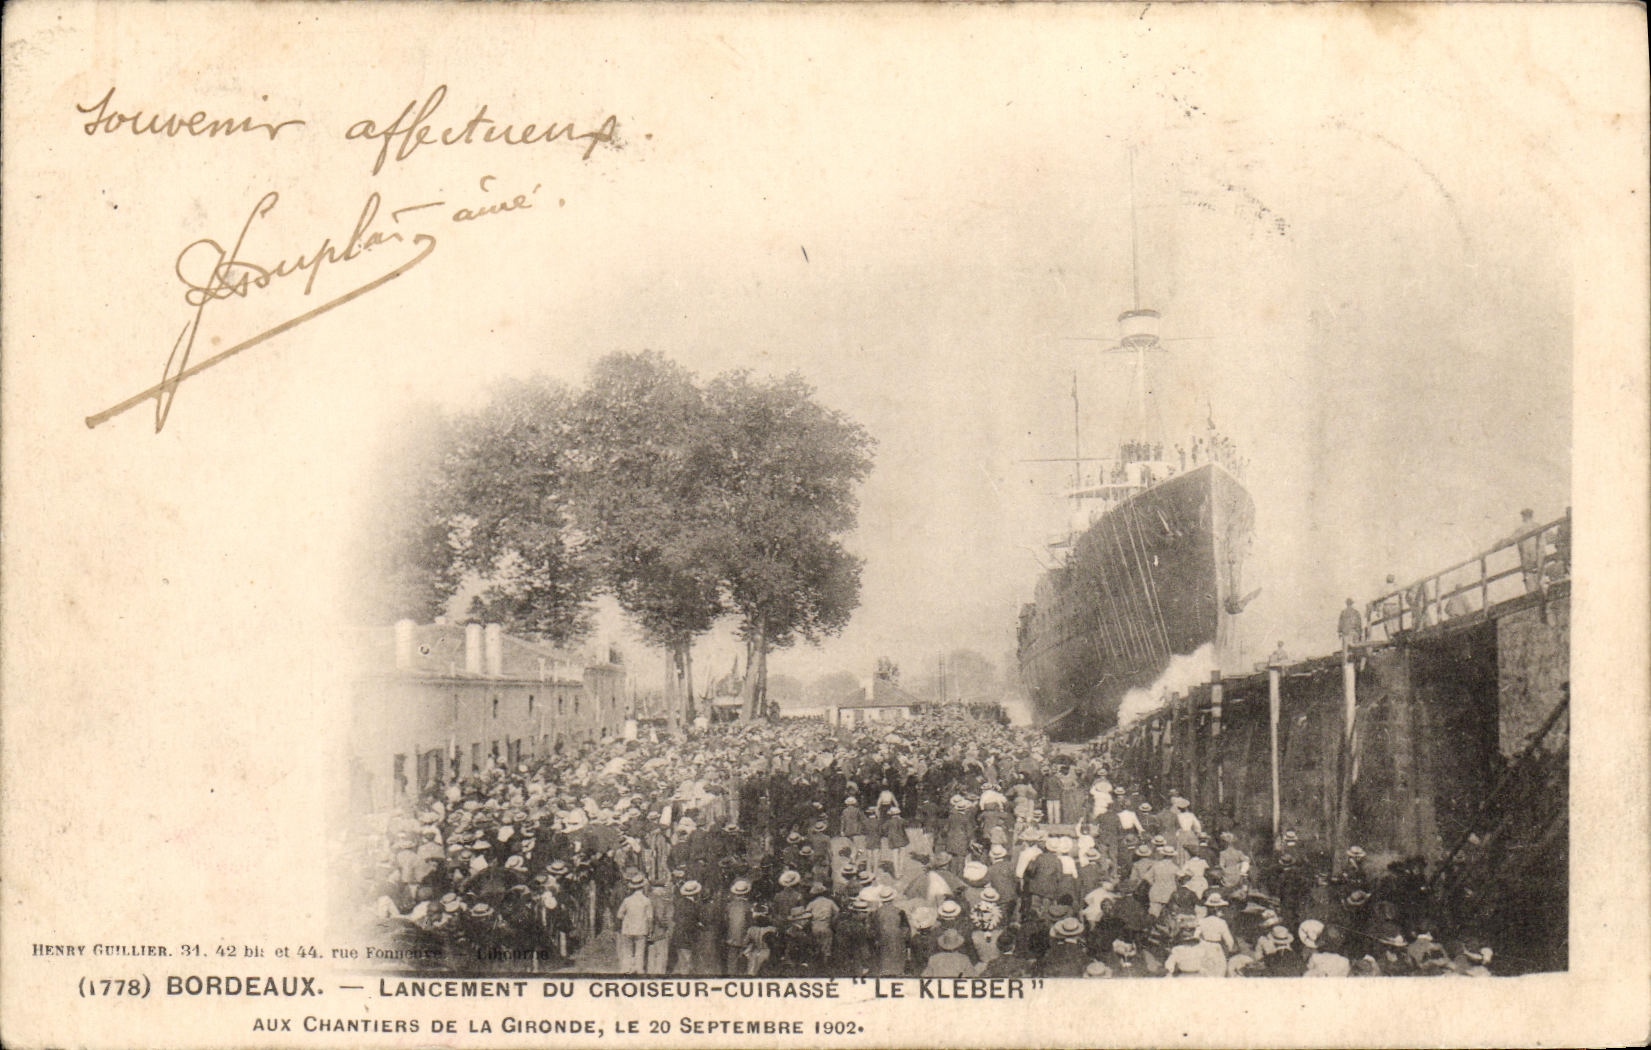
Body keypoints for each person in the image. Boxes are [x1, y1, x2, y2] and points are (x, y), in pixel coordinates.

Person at [614, 871, 652, 974]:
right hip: (641, 929)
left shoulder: (627, 900)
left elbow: (619, 915)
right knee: (640, 952)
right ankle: (639, 969)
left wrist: (627, 918)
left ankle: (627, 969)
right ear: (642, 887)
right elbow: (650, 918)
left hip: (627, 929)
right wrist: (650, 930)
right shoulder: (646, 901)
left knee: (627, 951)